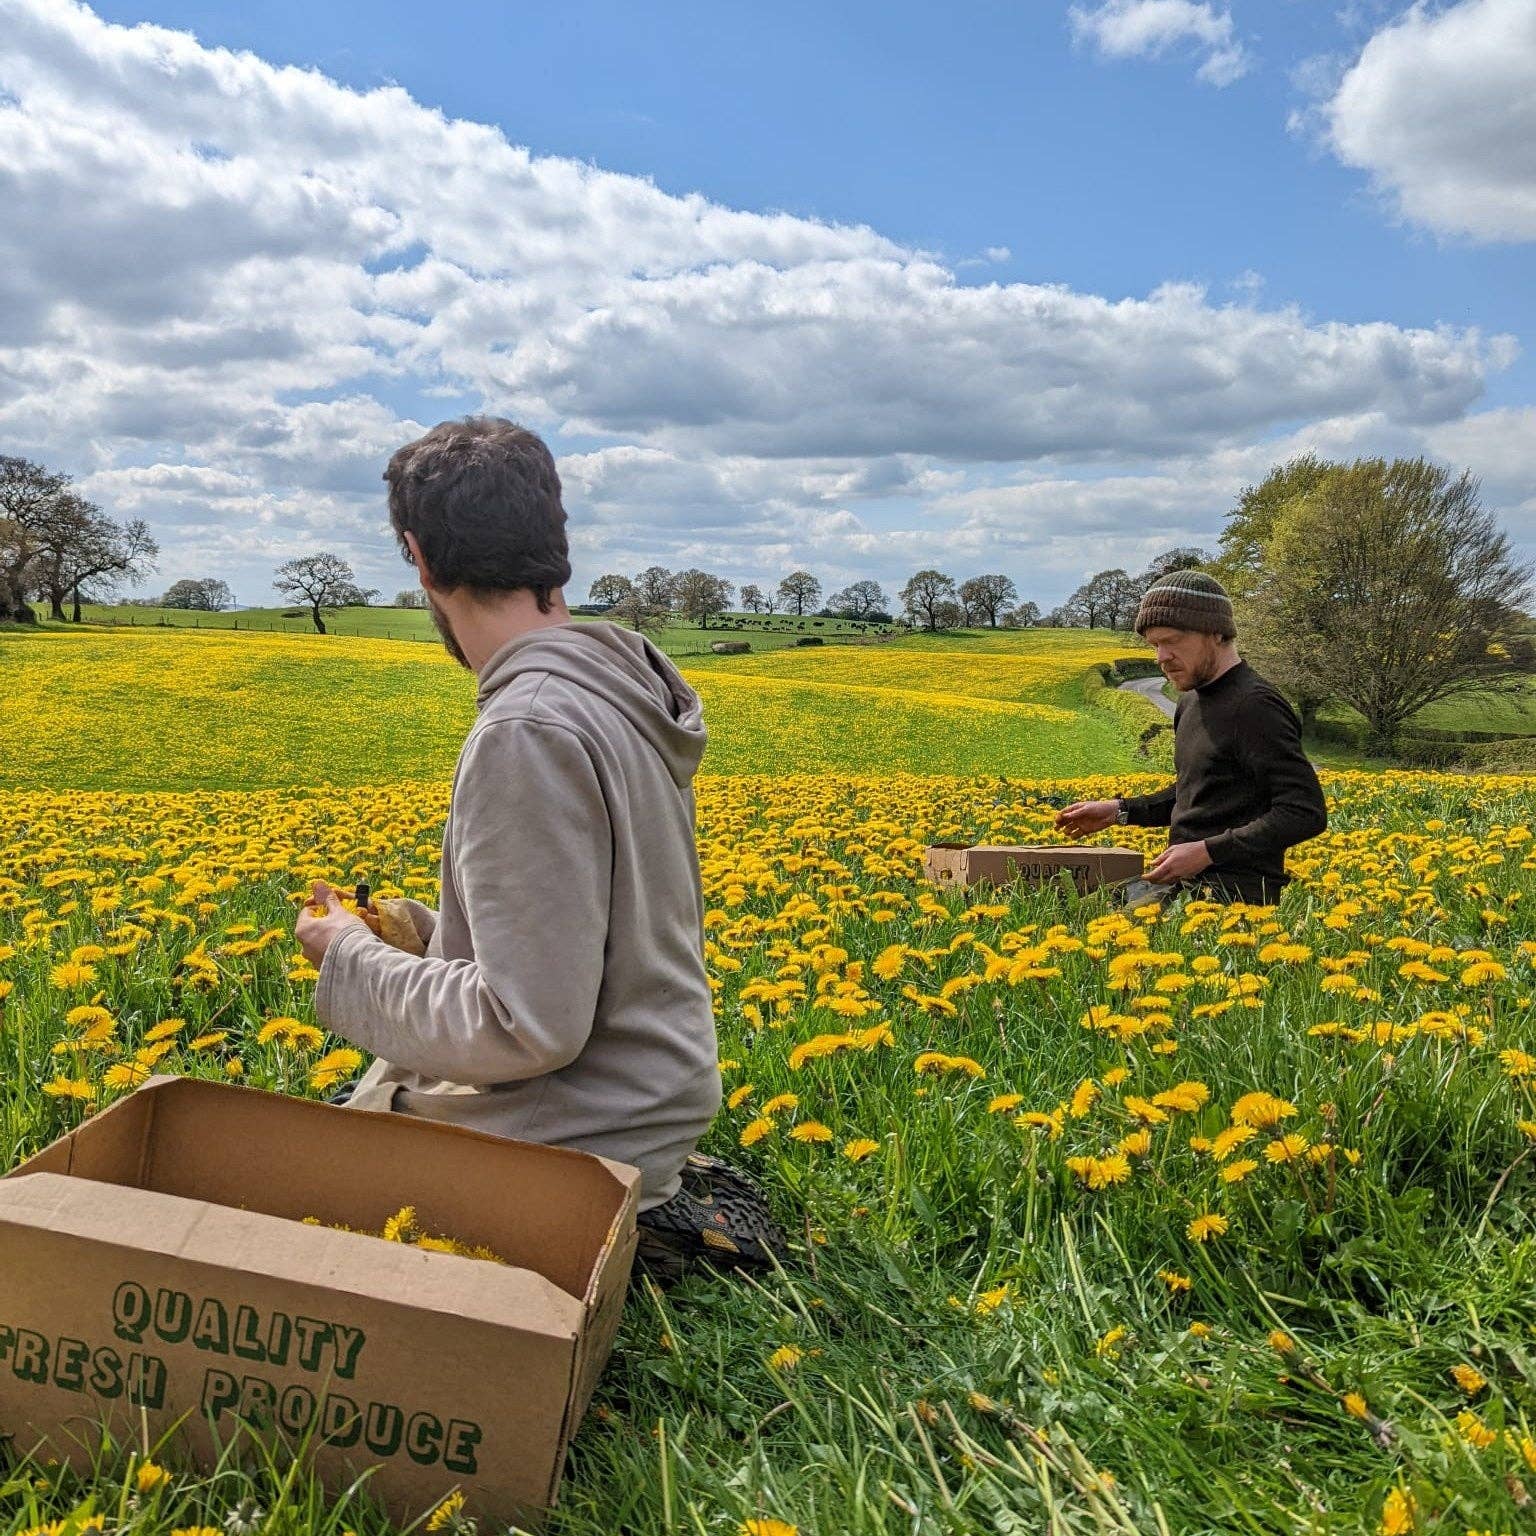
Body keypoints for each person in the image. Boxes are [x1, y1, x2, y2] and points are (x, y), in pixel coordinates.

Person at [293, 416, 785, 1280]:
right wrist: (416, 927)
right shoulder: (616, 689)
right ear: (553, 545)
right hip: (649, 1097)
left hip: (582, 1132)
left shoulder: (527, 726)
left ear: (419, 557)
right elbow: (591, 931)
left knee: (281, 1174)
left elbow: (528, 1027)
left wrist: (348, 959)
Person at [1055, 570, 1327, 907]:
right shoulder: (1191, 701)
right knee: (1065, 906)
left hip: (1231, 898)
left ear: (1216, 633)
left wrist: (1207, 852)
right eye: (1155, 645)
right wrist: (1120, 811)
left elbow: (1304, 812)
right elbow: (1199, 795)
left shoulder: (1255, 706)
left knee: (1083, 926)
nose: (1161, 657)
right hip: (1184, 885)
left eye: (1172, 641)